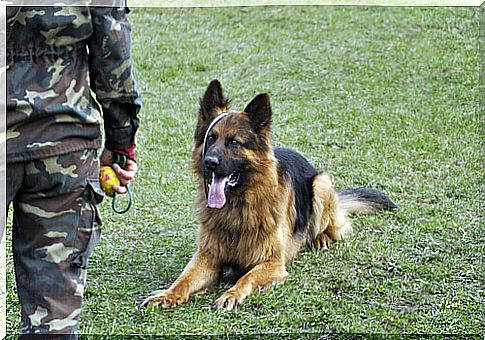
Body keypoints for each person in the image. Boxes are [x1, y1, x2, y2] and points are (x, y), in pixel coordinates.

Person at [6, 3, 141, 337]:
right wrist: (122, 141)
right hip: (64, 142)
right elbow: (113, 47)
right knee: (53, 312)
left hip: (61, 143)